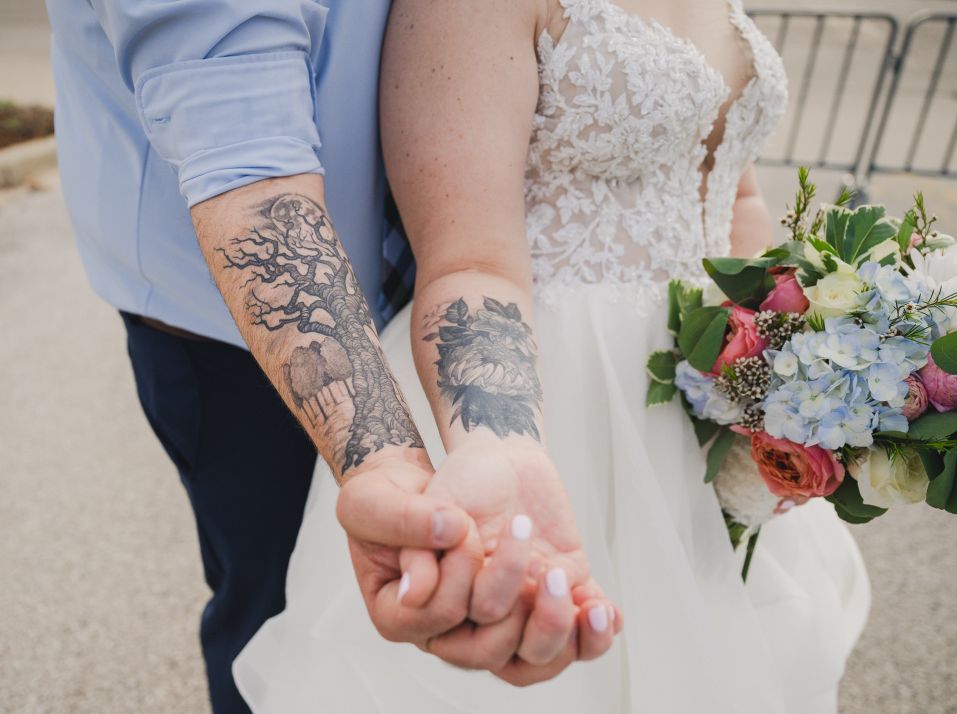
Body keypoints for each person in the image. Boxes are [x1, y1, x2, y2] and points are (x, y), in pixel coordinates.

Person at [234, 0, 871, 711]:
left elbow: (735, 195)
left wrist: (790, 357)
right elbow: (471, 262)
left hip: (708, 384)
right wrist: (502, 447)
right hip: (556, 384)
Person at [46, 1, 619, 712]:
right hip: (228, 325)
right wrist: (387, 465)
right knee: (273, 605)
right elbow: (245, 155)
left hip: (456, 285)